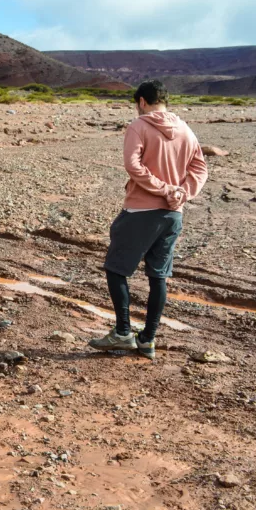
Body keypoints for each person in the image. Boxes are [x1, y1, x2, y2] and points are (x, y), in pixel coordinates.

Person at [89, 80, 208, 360]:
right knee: (158, 276)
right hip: (172, 215)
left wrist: (164, 189)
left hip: (141, 211)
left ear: (142, 101)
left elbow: (133, 165)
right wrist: (182, 194)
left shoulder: (139, 125)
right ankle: (148, 340)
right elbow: (200, 168)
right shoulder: (186, 129)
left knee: (116, 269)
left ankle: (122, 333)